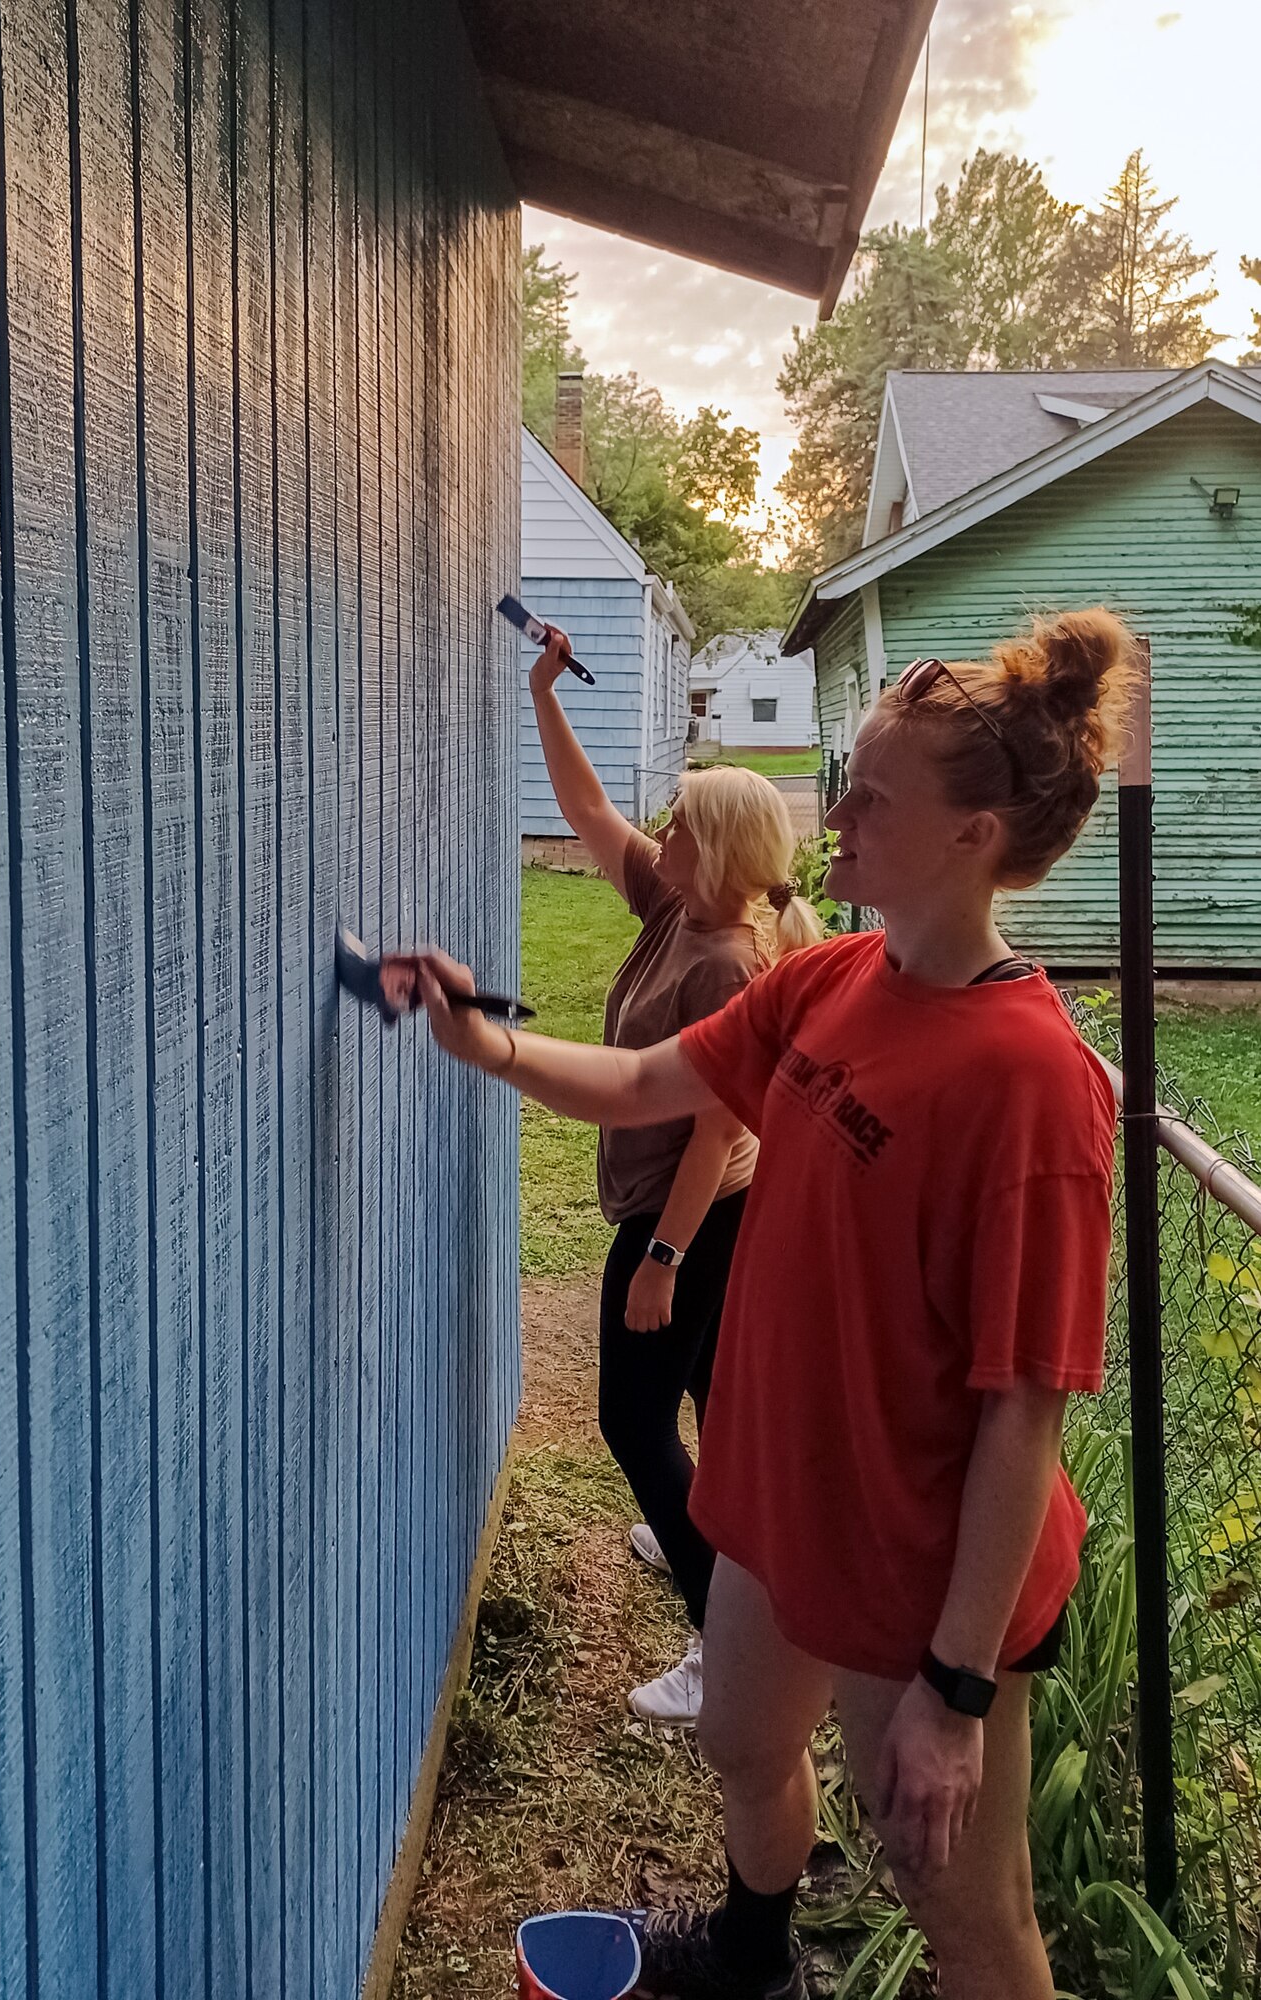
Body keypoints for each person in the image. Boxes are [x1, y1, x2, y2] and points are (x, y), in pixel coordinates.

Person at [400, 608, 1135, 2000]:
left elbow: (1023, 1413)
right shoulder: (830, 979)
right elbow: (639, 1087)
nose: (833, 812)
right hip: (775, 1498)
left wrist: (956, 1691)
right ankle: (753, 1963)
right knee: (742, 1745)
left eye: (869, 793)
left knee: (961, 1907)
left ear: (974, 838)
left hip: (923, 1567)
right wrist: (479, 1037)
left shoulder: (1032, 1087)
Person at [525, 625, 823, 1725]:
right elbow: (589, 812)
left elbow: (710, 1134)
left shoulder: (732, 961)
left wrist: (661, 1257)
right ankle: (728, 1552)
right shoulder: (678, 906)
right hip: (699, 1211)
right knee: (707, 1399)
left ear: (725, 851)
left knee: (632, 1421)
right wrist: (544, 692)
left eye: (682, 825)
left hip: (696, 1213)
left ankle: (722, 1640)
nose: (660, 833)